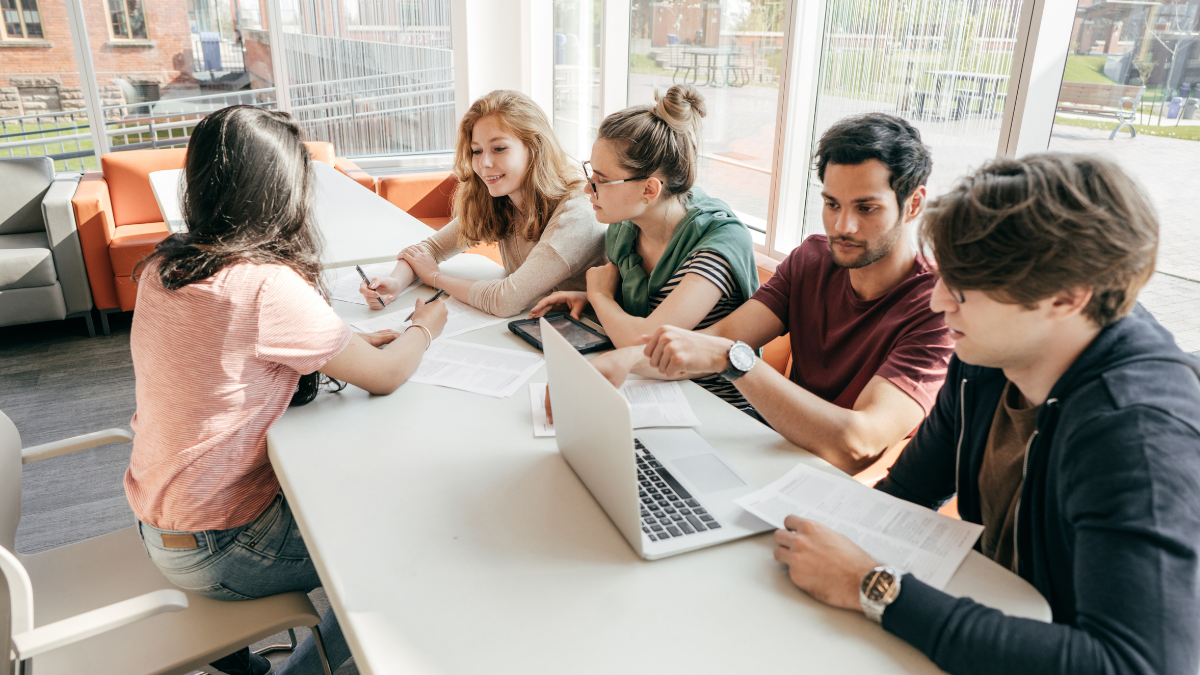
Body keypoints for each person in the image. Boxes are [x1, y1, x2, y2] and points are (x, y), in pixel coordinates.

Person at [772, 154, 1200, 675]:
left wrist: (874, 586)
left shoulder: (1137, 432)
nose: (936, 303)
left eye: (963, 289)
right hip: (994, 622)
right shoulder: (987, 360)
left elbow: (1136, 664)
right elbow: (907, 493)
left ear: (1066, 298)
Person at [127, 106, 448, 675]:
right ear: (283, 192)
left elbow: (229, 354)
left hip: (159, 520)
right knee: (398, 555)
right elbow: (390, 375)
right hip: (222, 548)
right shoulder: (264, 286)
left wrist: (338, 342)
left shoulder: (164, 265)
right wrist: (426, 325)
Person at [590, 113, 954, 473]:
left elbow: (856, 444)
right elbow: (717, 339)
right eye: (832, 204)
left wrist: (731, 357)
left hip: (836, 485)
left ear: (915, 205)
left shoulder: (938, 308)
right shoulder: (812, 260)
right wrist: (619, 362)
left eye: (867, 207)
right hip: (770, 450)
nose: (843, 226)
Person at [529, 85, 759, 413]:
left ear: (650, 189)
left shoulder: (718, 241)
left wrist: (601, 297)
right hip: (654, 392)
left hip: (720, 411)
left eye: (601, 179)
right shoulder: (626, 229)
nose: (586, 187)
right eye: (589, 171)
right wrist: (587, 299)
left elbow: (647, 341)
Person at [360, 90, 606, 318]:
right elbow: (428, 249)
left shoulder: (576, 210)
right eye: (477, 151)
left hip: (585, 337)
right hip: (538, 327)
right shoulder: (500, 196)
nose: (484, 163)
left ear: (535, 148)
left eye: (499, 148)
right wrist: (395, 283)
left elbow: (506, 300)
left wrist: (434, 277)